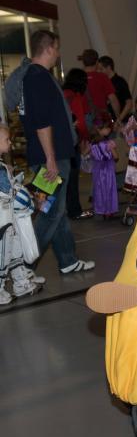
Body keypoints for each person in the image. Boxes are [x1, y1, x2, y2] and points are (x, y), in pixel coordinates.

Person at [20, 30, 95, 274]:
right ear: (50, 48)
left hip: (52, 157)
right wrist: (51, 159)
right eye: (57, 48)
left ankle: (67, 260)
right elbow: (42, 122)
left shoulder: (35, 76)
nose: (58, 53)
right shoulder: (38, 77)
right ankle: (25, 266)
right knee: (50, 214)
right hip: (50, 160)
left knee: (57, 211)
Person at [0, 124, 43, 304]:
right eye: (6, 140)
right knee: (2, 256)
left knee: (14, 252)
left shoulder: (2, 167)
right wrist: (24, 194)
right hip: (3, 223)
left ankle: (21, 282)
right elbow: (8, 193)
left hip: (10, 221)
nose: (10, 143)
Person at [63, 68, 94, 220]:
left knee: (63, 178)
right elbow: (80, 123)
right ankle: (75, 211)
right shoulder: (75, 96)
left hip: (60, 141)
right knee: (73, 178)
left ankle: (63, 210)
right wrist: (86, 138)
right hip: (71, 142)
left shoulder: (63, 94)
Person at [87, 112, 119, 218]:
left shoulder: (91, 143)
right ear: (100, 129)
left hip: (97, 168)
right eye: (108, 128)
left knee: (99, 189)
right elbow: (116, 157)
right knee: (109, 189)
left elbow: (86, 153)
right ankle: (109, 210)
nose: (109, 130)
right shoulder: (108, 143)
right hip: (108, 168)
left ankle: (101, 209)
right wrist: (114, 151)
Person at [79, 49, 120, 124]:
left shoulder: (76, 78)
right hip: (100, 118)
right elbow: (113, 99)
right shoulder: (102, 77)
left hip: (83, 120)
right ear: (97, 62)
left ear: (83, 62)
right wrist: (118, 117)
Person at [98, 55, 132, 125]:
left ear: (109, 67)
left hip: (121, 122)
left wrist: (119, 119)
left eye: (101, 69)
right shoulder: (101, 82)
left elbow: (129, 103)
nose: (99, 72)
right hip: (107, 122)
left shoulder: (120, 81)